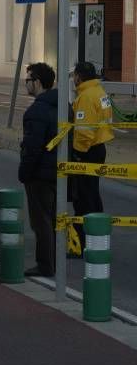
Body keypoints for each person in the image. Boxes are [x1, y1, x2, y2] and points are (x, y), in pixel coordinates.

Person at [70, 61, 114, 252]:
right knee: (92, 194)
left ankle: (84, 242)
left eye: (74, 76)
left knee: (84, 197)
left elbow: (84, 132)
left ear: (79, 76)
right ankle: (98, 236)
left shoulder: (86, 97)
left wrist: (77, 155)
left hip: (87, 151)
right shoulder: (99, 92)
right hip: (99, 148)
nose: (73, 79)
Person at [19, 62, 58, 277]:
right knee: (53, 218)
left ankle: (45, 265)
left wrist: (24, 172)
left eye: (28, 80)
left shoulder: (36, 111)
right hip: (59, 171)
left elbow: (32, 148)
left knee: (40, 220)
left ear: (38, 83)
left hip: (39, 175)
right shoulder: (63, 107)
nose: (26, 84)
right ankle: (54, 261)